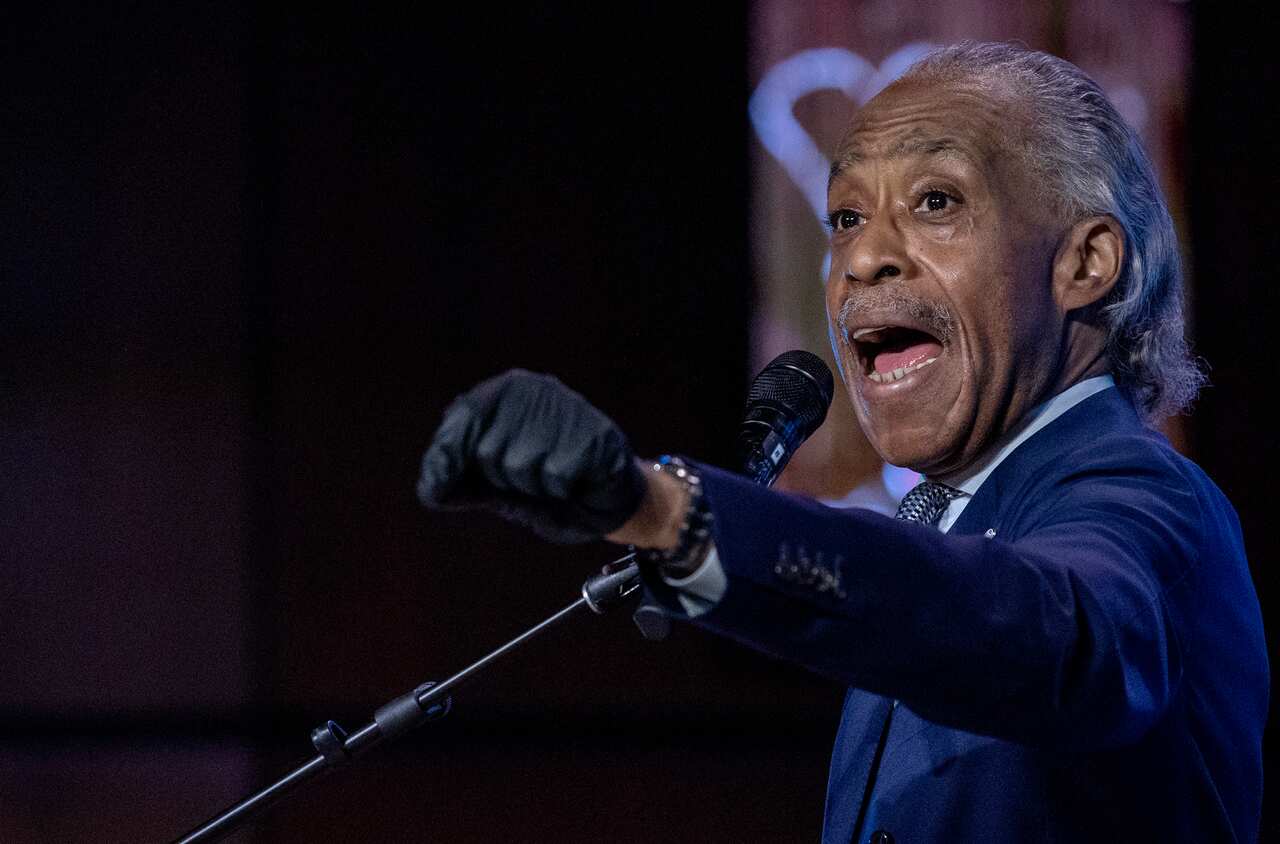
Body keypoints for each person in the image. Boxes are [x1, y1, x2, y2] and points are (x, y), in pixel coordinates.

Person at [418, 42, 1267, 843]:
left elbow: (1062, 631)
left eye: (936, 202)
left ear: (1085, 263)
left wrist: (663, 509)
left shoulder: (1149, 503)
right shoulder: (935, 533)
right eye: (847, 216)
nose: (862, 259)